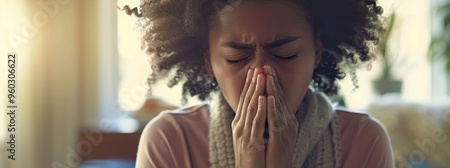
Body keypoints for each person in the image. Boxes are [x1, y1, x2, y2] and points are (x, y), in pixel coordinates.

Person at [122, 0, 394, 167]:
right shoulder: (170, 142)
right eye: (236, 56)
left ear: (317, 52)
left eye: (285, 54)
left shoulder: (364, 142)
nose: (262, 74)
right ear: (208, 61)